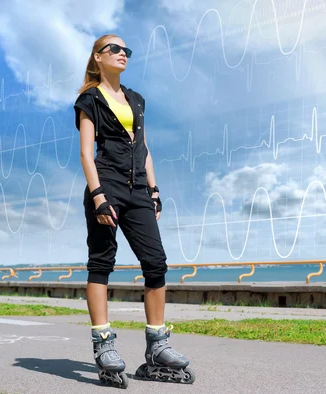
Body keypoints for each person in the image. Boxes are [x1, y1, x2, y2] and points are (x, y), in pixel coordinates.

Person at [74, 34, 195, 386]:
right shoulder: (89, 100)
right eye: (114, 49)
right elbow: (86, 152)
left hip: (138, 188)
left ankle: (157, 344)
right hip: (106, 185)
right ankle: (103, 344)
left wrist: (153, 190)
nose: (122, 53)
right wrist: (97, 195)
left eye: (126, 49)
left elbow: (144, 149)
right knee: (101, 262)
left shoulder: (136, 100)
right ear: (98, 57)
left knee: (156, 262)